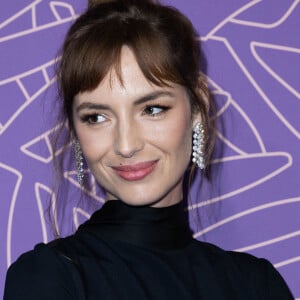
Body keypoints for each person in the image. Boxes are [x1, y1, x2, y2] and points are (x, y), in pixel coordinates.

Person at [4, 0, 294, 299]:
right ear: (76, 132)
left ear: (198, 109)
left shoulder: (255, 284)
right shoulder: (49, 278)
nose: (126, 145)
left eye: (152, 109)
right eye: (97, 117)